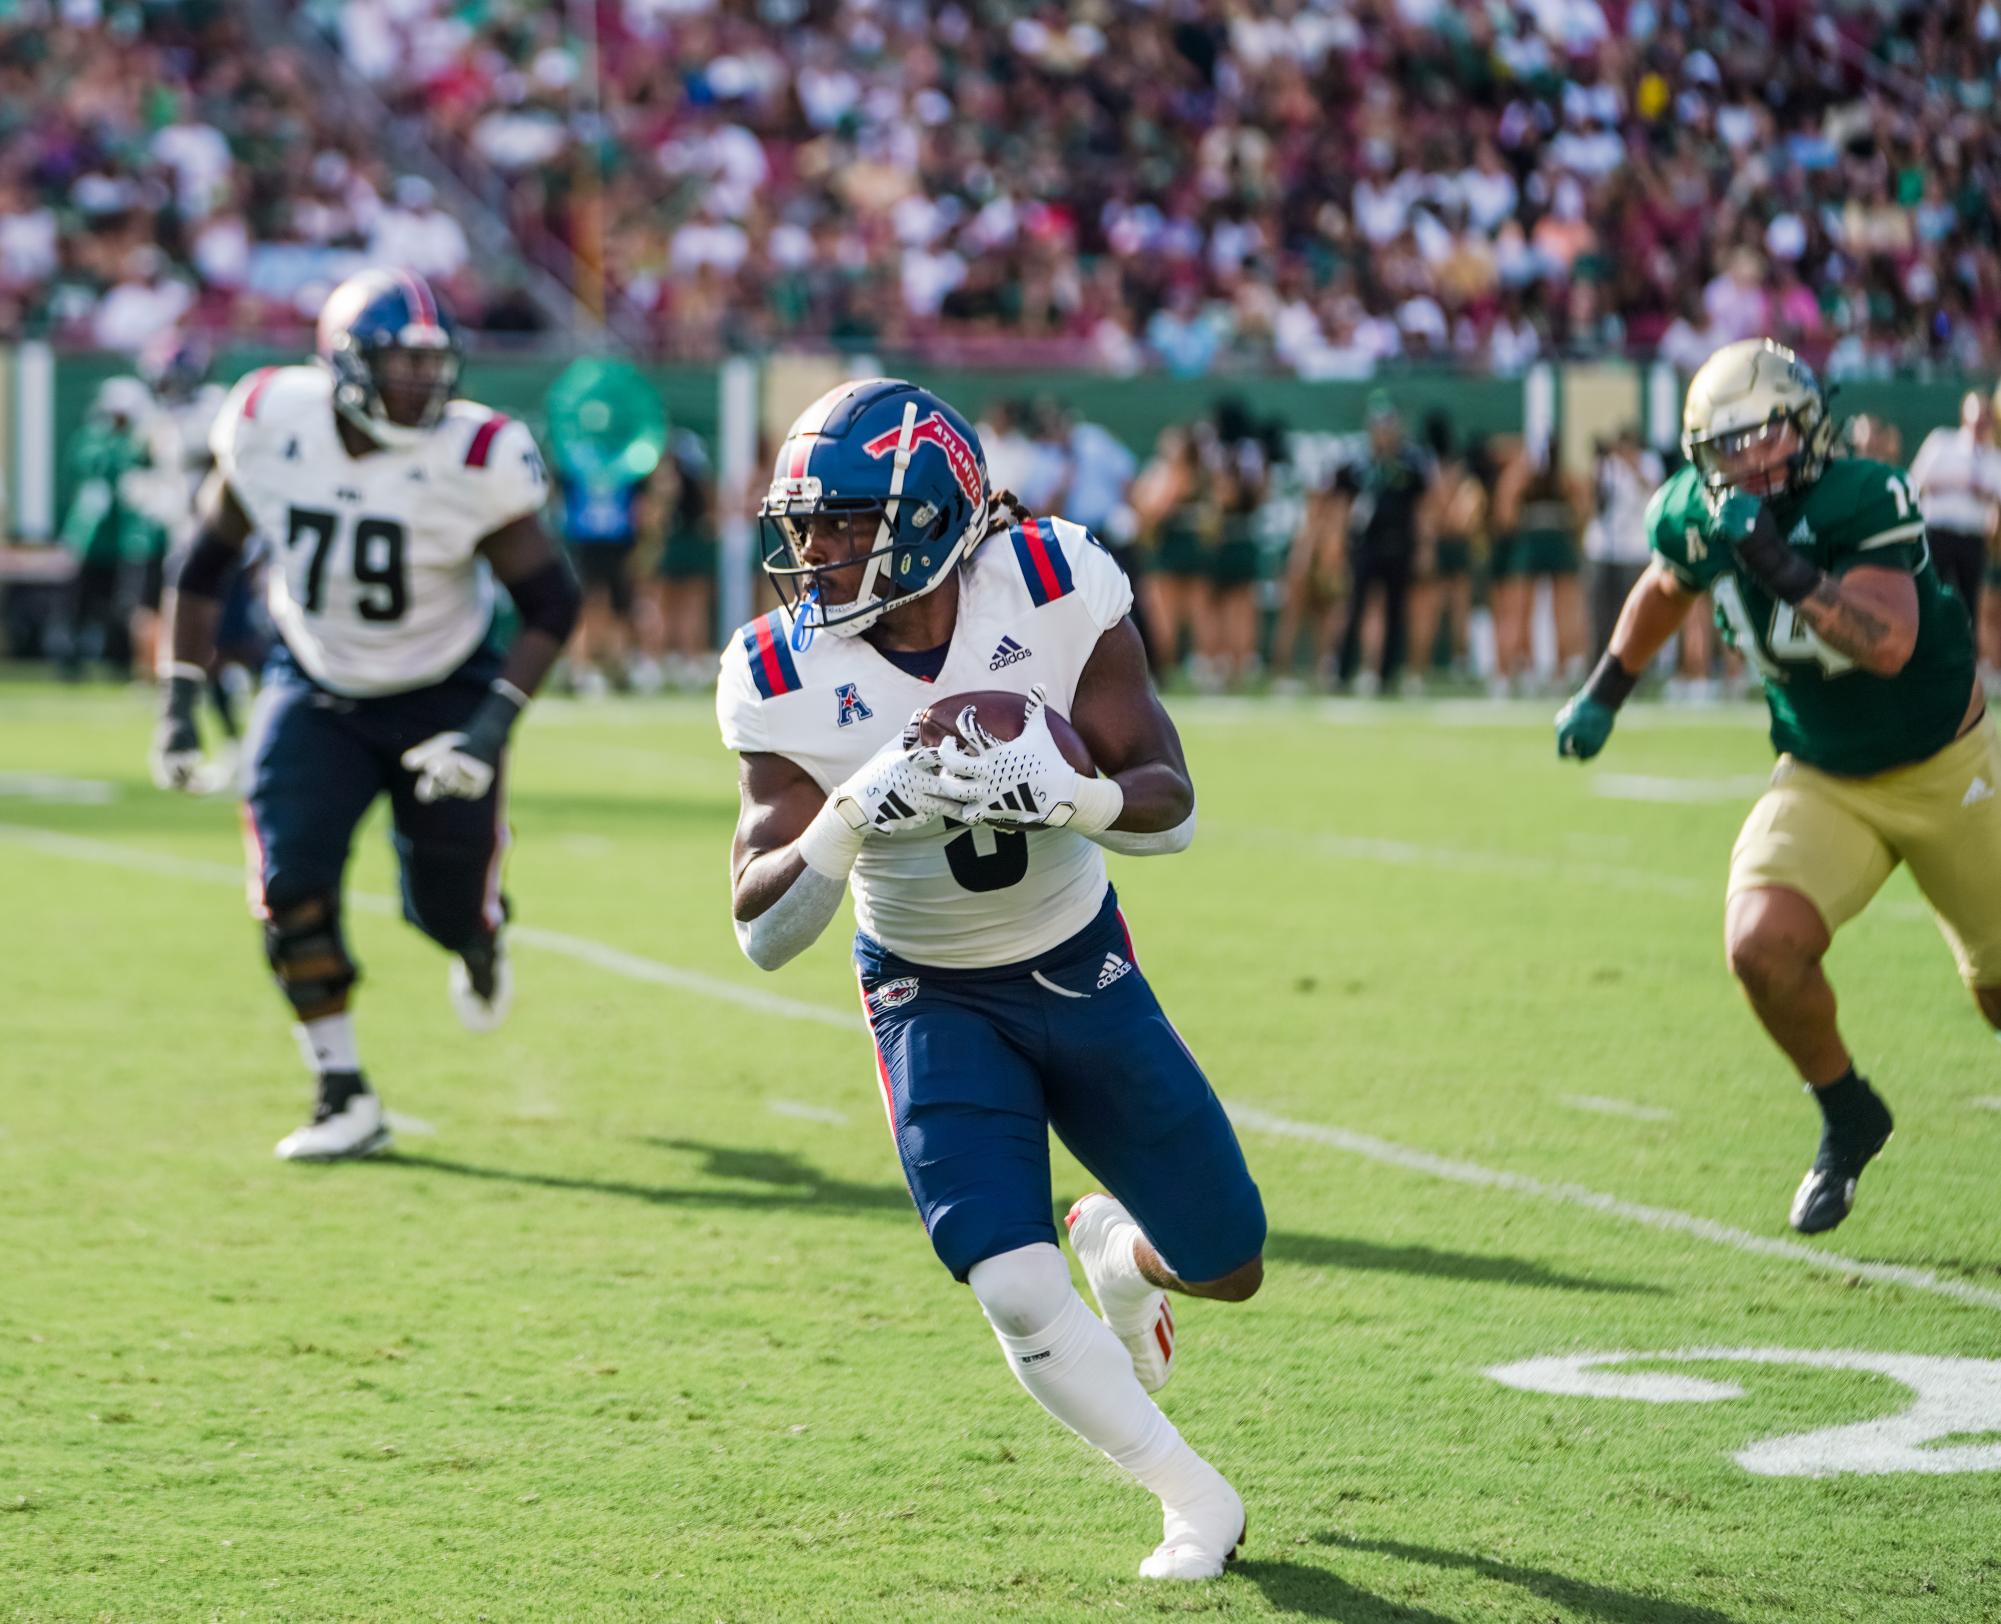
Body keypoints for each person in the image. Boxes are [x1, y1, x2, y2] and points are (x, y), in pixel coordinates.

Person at [717, 379, 1265, 1581]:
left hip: (1079, 958)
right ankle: (1191, 1498)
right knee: (1012, 1282)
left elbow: (1167, 806)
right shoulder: (776, 665)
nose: (814, 551)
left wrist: (1071, 795)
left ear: (924, 519)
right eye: (804, 523)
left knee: (1231, 1259)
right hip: (928, 987)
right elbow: (761, 928)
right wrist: (855, 811)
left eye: (845, 523)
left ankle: (1124, 1257)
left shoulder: (1055, 582)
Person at [1556, 339, 1997, 1235]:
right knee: (1760, 944)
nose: (1754, 458)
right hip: (1823, 771)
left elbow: (1887, 644)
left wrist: (1776, 563)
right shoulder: (1691, 510)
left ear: (1807, 424)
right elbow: (1666, 582)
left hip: (1948, 766)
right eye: (1730, 445)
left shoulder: (1862, 494)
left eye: (1768, 434)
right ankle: (1846, 1113)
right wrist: (1605, 688)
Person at [148, 269, 580, 1161]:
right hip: (314, 685)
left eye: (433, 364)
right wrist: (179, 703)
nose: (422, 384)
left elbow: (551, 604)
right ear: (343, 365)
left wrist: (488, 728)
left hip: (443, 689)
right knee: (288, 886)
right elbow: (201, 565)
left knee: (440, 905)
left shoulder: (475, 455)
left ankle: (478, 935)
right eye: (399, 364)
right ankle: (341, 1091)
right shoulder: (270, 420)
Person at [1333, 392, 1434, 694]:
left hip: (1400, 543)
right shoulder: (1358, 464)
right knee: (1355, 607)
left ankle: (1387, 674)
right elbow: (1342, 507)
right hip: (1366, 545)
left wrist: (1426, 546)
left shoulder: (1411, 464)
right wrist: (1337, 544)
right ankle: (1343, 671)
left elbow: (1423, 508)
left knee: (1396, 610)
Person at [1906, 389, 2001, 651]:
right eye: (1976, 414)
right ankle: (1920, 650)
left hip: (1972, 538)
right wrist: (1954, 483)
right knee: (1927, 593)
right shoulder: (1941, 442)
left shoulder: (1995, 458)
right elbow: (1916, 479)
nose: (1980, 421)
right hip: (1937, 534)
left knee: (1968, 603)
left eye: (1985, 415)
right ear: (1964, 414)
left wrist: (1982, 491)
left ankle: (1962, 661)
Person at [1491, 438, 1588, 691]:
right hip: (1540, 541)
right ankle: (1522, 668)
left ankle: (1549, 670)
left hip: (1541, 541)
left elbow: (1506, 517)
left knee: (1552, 609)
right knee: (1522, 608)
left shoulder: (1560, 479)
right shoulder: (1546, 478)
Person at [1583, 428, 1664, 660]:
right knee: (1601, 615)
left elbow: (1654, 491)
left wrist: (1631, 464)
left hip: (1635, 552)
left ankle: (1637, 665)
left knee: (1634, 614)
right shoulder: (1606, 466)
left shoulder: (1648, 463)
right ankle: (1598, 665)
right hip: (1605, 551)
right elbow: (1595, 503)